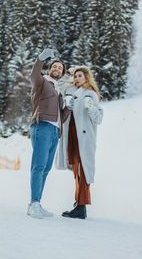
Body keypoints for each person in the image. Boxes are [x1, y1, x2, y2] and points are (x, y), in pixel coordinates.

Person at [27, 48, 73, 219]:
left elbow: (62, 116)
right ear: (49, 68)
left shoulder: (58, 90)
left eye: (60, 68)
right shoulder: (42, 82)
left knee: (45, 168)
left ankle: (35, 203)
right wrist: (40, 59)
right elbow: (33, 75)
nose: (57, 69)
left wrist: (68, 107)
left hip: (55, 131)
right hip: (42, 126)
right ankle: (34, 203)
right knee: (38, 166)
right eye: (54, 66)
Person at [56, 66, 103, 219]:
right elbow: (60, 84)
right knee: (76, 171)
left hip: (84, 138)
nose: (76, 78)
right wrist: (68, 72)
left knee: (83, 171)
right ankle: (78, 203)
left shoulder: (91, 94)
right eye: (75, 76)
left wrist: (90, 108)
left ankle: (82, 206)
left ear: (86, 78)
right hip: (72, 136)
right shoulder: (70, 91)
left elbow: (99, 118)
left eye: (80, 76)